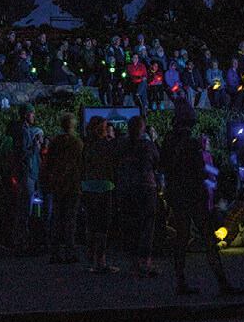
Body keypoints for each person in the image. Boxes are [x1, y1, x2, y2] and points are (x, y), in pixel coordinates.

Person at [160, 100, 235, 295]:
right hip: (194, 195)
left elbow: (162, 167)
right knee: (208, 237)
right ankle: (222, 282)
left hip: (177, 194)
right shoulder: (191, 144)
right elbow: (199, 171)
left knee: (182, 237)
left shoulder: (168, 141)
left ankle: (181, 282)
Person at [116, 114, 161, 276]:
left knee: (131, 225)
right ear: (142, 128)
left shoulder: (121, 144)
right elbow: (158, 163)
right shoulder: (148, 145)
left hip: (126, 187)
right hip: (146, 188)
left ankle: (134, 262)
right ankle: (146, 262)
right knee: (147, 225)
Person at [80, 116, 119, 273]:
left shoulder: (85, 144)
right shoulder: (106, 145)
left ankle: (90, 259)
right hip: (104, 185)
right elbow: (113, 164)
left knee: (91, 224)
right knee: (103, 225)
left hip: (88, 185)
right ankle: (101, 260)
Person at [45, 113, 84, 264]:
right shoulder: (76, 143)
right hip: (73, 185)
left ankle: (55, 252)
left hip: (58, 184)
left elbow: (48, 163)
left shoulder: (55, 142)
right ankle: (69, 251)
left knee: (58, 218)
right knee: (70, 220)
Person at [7, 103, 45, 253]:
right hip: (26, 174)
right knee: (24, 209)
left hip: (24, 173)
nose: (34, 116)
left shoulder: (20, 131)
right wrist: (35, 147)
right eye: (31, 113)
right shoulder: (24, 132)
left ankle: (20, 241)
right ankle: (21, 243)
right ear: (25, 115)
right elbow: (23, 154)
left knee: (22, 209)